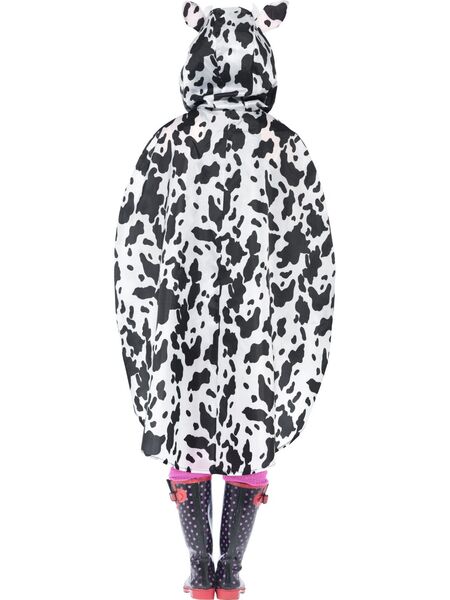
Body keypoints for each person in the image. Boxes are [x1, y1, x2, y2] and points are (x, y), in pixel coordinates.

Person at [114, 3, 335, 598]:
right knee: (251, 431)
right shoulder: (286, 149)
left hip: (180, 319)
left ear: (197, 63)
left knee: (185, 427)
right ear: (264, 62)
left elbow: (135, 245)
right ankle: (229, 573)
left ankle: (199, 570)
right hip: (258, 326)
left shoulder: (167, 145)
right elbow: (311, 256)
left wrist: (146, 329)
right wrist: (299, 335)